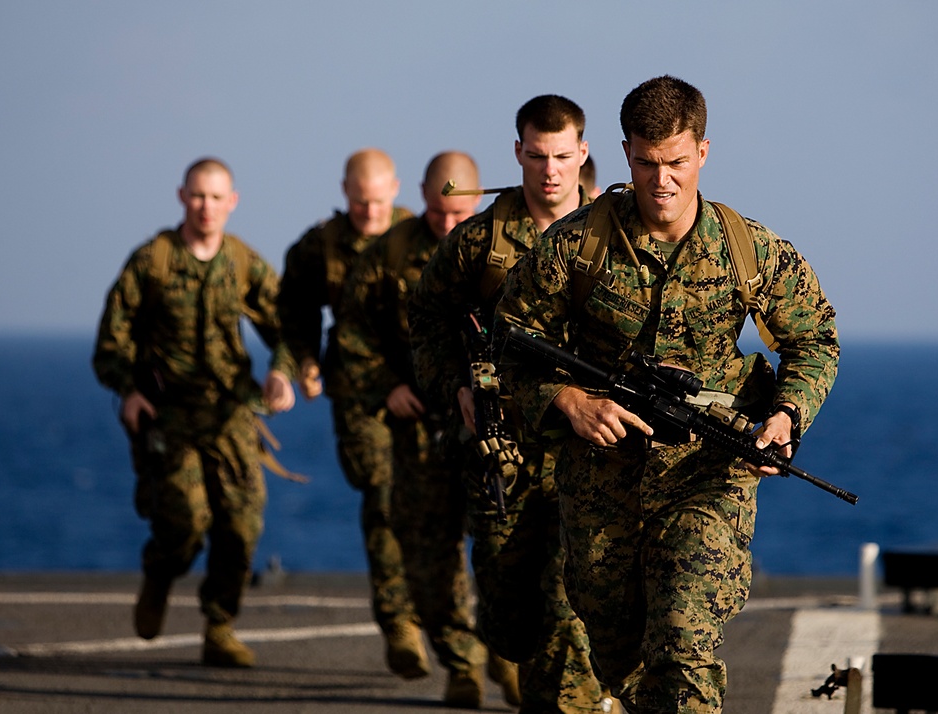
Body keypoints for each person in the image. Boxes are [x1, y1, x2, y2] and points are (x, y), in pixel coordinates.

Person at [493, 75, 840, 712]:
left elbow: (814, 338)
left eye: (677, 162)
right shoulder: (574, 247)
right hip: (601, 479)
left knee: (683, 638)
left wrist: (788, 416)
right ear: (626, 153)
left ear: (703, 151)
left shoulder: (747, 250)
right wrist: (568, 402)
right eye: (648, 164)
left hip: (709, 468)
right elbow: (509, 342)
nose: (663, 182)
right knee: (622, 657)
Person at [410, 96, 609, 713]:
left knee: (567, 607)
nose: (550, 171)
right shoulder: (478, 242)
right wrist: (457, 387)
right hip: (505, 455)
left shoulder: (615, 235)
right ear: (518, 153)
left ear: (582, 154)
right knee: (511, 617)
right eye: (537, 156)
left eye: (561, 156)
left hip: (589, 451)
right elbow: (426, 317)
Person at [92, 157, 298, 668]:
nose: (206, 207)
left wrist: (283, 372)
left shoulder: (243, 262)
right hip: (169, 416)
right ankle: (161, 572)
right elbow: (110, 342)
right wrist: (129, 392)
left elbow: (286, 325)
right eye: (197, 196)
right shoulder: (153, 262)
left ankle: (219, 627)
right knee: (184, 524)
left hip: (230, 416)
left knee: (242, 525)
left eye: (216, 197)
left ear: (233, 202)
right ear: (182, 197)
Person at [337, 151, 520, 708]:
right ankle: (460, 663)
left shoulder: (504, 246)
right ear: (419, 196)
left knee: (502, 545)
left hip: (493, 425)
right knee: (429, 550)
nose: (447, 224)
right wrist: (385, 385)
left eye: (459, 212)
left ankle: (508, 655)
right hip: (419, 424)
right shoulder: (385, 254)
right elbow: (350, 335)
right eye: (438, 212)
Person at [277, 148, 428, 678]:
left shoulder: (423, 232)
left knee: (446, 504)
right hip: (360, 390)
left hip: (426, 388)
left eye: (378, 200)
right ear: (345, 193)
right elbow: (291, 305)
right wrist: (304, 360)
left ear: (396, 190)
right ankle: (400, 625)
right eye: (359, 202)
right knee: (383, 494)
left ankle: (468, 630)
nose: (368, 211)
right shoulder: (322, 245)